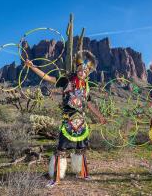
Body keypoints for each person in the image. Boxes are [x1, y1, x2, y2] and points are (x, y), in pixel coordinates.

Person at [24, 50, 106, 186]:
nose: (82, 72)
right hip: (68, 120)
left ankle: (82, 173)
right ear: (77, 69)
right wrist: (32, 66)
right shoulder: (66, 79)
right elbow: (47, 78)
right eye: (80, 69)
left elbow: (89, 104)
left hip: (81, 121)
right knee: (61, 149)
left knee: (81, 148)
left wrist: (100, 117)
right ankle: (55, 177)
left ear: (87, 73)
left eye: (85, 71)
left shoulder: (86, 87)